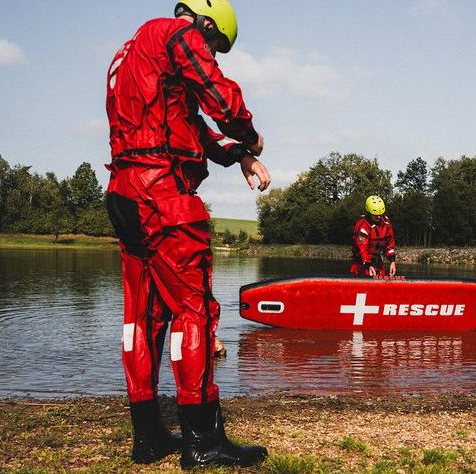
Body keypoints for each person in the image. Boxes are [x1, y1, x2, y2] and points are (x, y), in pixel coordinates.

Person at [104, 0, 270, 468]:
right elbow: (218, 97)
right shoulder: (177, 35)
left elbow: (188, 125)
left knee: (143, 317)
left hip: (125, 192)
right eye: (215, 44)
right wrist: (251, 135)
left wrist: (238, 155)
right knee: (195, 311)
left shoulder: (130, 53)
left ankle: (149, 437)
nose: (213, 53)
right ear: (205, 23)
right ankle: (203, 441)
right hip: (165, 196)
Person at [350, 195, 397, 277]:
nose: (379, 217)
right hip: (361, 264)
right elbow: (362, 249)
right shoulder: (362, 226)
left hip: (377, 262)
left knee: (381, 280)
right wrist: (368, 264)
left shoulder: (386, 223)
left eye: (381, 214)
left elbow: (390, 242)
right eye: (375, 215)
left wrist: (392, 261)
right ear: (369, 213)